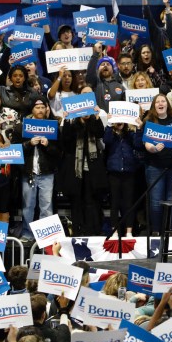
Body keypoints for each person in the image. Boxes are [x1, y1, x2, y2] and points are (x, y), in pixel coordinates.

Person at [137, 94, 172, 235]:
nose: (160, 103)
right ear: (154, 106)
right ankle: (156, 231)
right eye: (157, 101)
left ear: (167, 104)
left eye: (163, 101)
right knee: (156, 200)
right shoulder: (149, 122)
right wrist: (153, 149)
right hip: (154, 166)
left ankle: (170, 231)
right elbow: (146, 143)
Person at [60, 90, 107, 236]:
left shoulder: (95, 118)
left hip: (93, 170)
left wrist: (96, 117)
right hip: (76, 170)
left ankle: (94, 229)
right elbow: (66, 141)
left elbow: (100, 133)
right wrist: (68, 120)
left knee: (92, 200)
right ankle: (78, 230)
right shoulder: (72, 122)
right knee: (77, 201)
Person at [19, 99, 61, 241]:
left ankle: (46, 236)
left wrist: (48, 145)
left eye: (43, 107)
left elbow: (59, 152)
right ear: (32, 110)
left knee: (46, 206)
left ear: (46, 109)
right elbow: (17, 149)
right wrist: (28, 143)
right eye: (37, 107)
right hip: (29, 172)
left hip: (47, 172)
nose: (40, 110)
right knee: (28, 206)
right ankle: (27, 234)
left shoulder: (52, 127)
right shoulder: (23, 127)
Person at [103, 113, 142, 239]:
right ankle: (114, 232)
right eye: (117, 120)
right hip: (114, 172)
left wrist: (138, 128)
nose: (119, 123)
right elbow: (106, 140)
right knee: (114, 203)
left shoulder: (130, 134)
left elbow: (138, 145)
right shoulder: (110, 133)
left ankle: (129, 231)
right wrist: (110, 124)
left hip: (129, 172)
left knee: (128, 203)